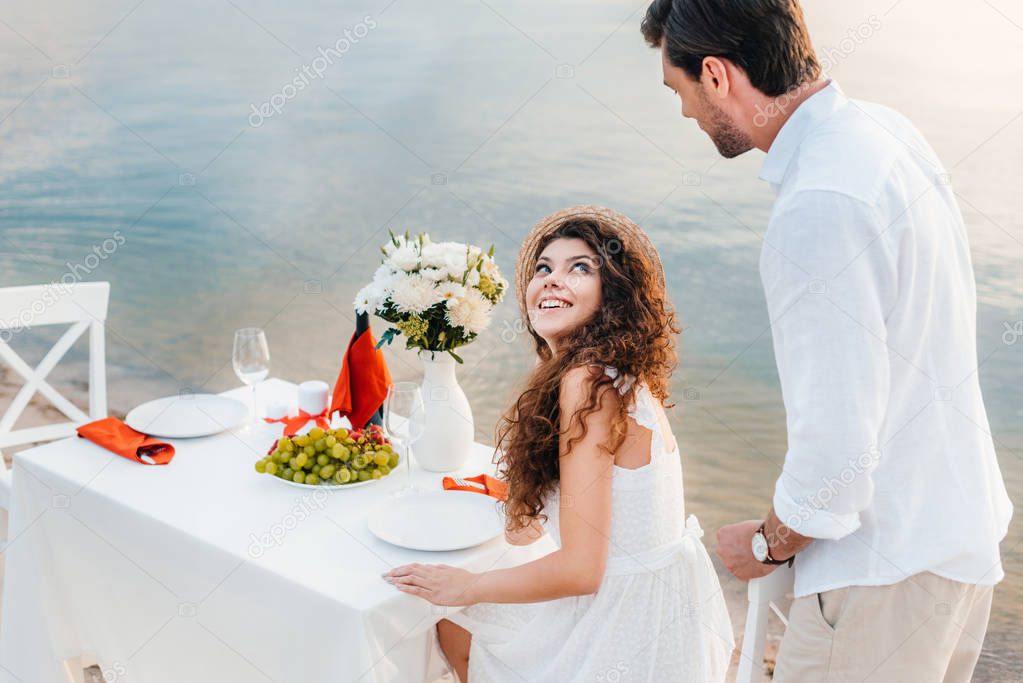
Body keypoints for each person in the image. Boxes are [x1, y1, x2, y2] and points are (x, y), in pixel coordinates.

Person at [639, 1, 1013, 680]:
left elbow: (837, 451)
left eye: (680, 90)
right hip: (958, 538)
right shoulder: (886, 132)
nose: (686, 114)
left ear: (717, 75)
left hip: (882, 573)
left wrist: (765, 542)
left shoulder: (817, 203)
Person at [383, 205, 734, 682]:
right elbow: (526, 533)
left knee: (448, 620)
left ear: (613, 295)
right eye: (544, 268)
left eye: (579, 268)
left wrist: (471, 586)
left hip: (619, 622)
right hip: (655, 606)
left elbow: (581, 572)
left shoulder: (588, 384)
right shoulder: (614, 375)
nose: (551, 279)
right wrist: (524, 491)